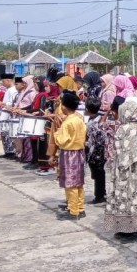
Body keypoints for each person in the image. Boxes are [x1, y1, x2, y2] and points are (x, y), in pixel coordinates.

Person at [105, 100, 137, 239]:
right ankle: (135, 227)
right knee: (135, 195)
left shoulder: (125, 128)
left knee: (126, 195)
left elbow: (126, 151)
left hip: (125, 168)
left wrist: (121, 166)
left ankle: (129, 229)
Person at [54, 91, 88, 221]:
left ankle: (73, 211)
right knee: (78, 183)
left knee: (70, 184)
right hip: (79, 152)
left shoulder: (67, 123)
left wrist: (57, 133)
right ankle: (80, 208)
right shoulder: (79, 119)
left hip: (69, 154)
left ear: (64, 107)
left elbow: (62, 140)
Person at [84, 97, 108, 204]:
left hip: (95, 150)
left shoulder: (93, 121)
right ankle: (101, 193)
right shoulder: (99, 118)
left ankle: (99, 196)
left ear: (88, 109)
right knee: (100, 173)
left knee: (97, 173)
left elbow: (92, 137)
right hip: (101, 150)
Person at [0, 73, 18, 159]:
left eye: (3, 81)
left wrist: (2, 104)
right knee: (5, 134)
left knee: (8, 134)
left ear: (8, 80)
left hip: (8, 114)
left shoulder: (12, 90)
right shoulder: (9, 90)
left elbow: (11, 103)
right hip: (6, 112)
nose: (2, 83)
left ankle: (11, 152)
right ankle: (8, 152)